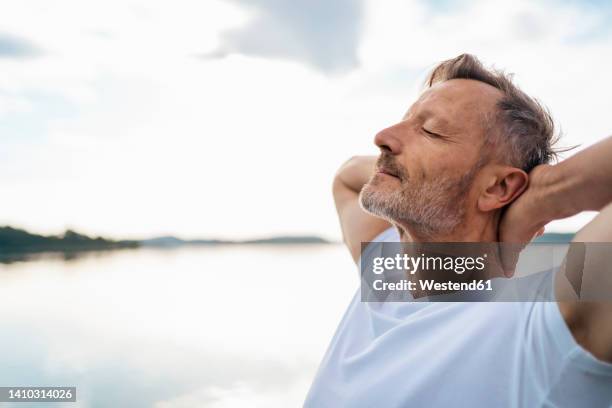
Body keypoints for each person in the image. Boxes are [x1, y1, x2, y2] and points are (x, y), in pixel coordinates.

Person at [304, 54, 612, 407]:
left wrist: (542, 196)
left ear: (498, 189)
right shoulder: (385, 273)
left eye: (431, 130)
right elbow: (347, 177)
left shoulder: (543, 326)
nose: (382, 137)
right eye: (404, 121)